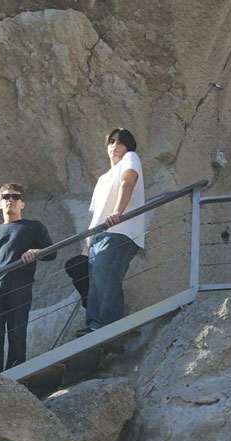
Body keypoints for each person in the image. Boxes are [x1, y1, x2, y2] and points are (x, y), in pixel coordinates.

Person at [0, 183, 55, 372]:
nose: (10, 200)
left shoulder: (34, 227)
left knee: (17, 332)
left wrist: (36, 252)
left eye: (15, 197)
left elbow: (51, 252)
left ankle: (16, 375)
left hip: (20, 284)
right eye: (6, 197)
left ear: (23, 203)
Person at [81, 128, 145, 333]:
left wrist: (117, 212)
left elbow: (127, 183)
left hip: (119, 231)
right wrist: (86, 246)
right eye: (111, 142)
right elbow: (96, 216)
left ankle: (108, 328)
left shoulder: (130, 158)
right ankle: (95, 325)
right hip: (98, 236)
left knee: (107, 279)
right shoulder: (103, 179)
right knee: (96, 283)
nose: (115, 146)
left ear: (128, 147)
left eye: (120, 142)